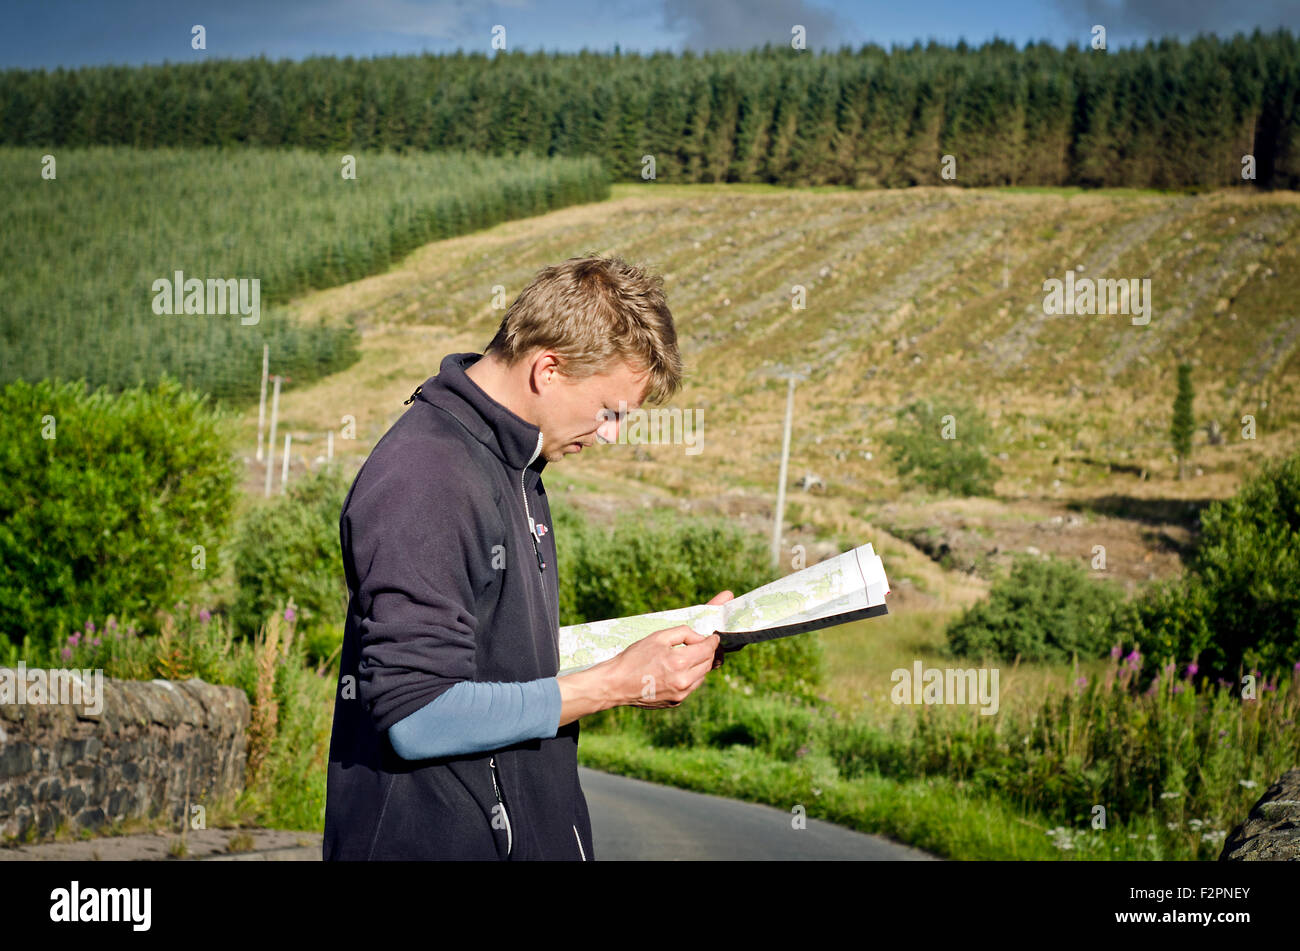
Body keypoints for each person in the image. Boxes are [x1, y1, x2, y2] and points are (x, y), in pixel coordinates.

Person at [323, 254, 733, 860]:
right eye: (611, 411)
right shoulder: (428, 476)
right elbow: (418, 713)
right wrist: (613, 684)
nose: (615, 435)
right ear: (548, 368)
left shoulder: (514, 466)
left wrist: (661, 647)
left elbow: (499, 652)